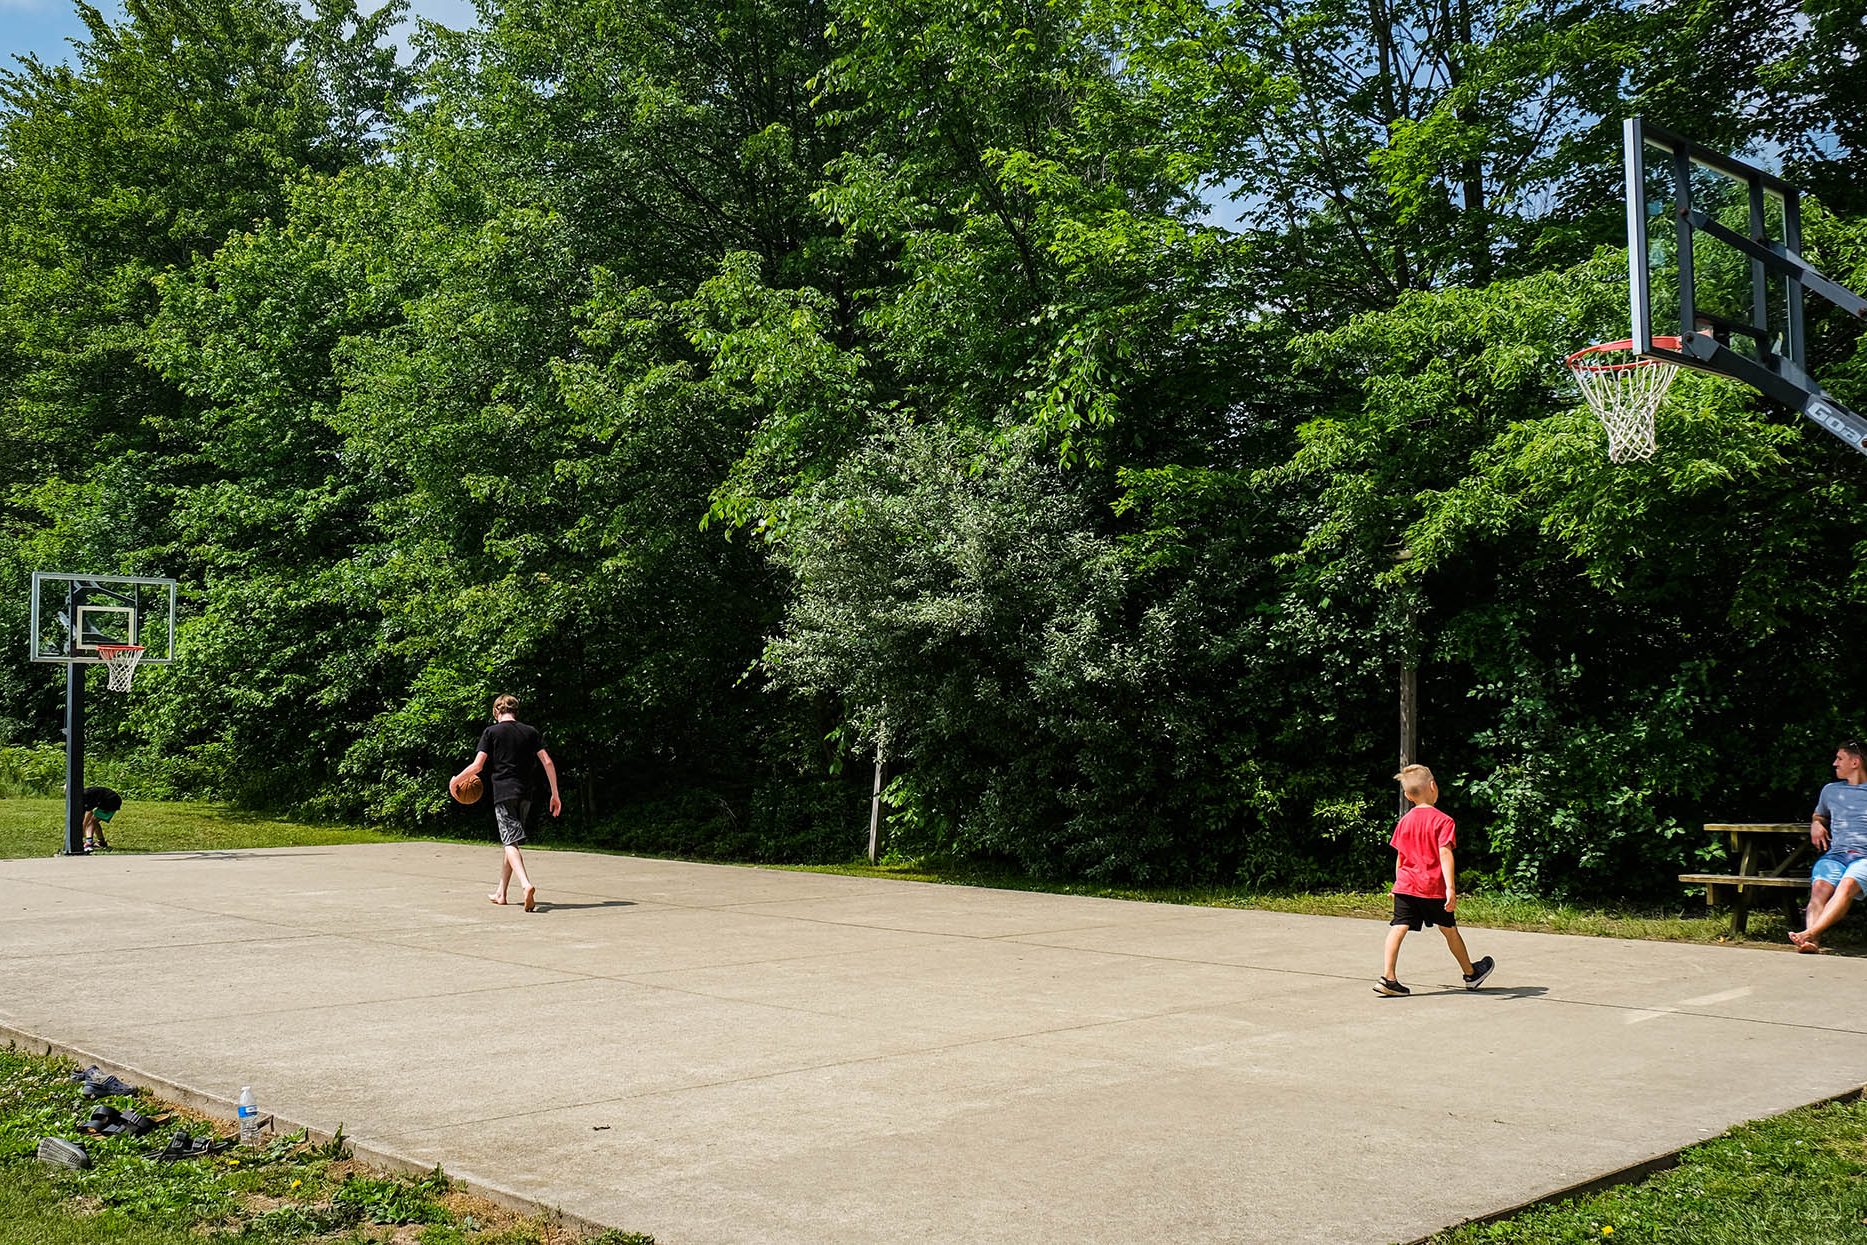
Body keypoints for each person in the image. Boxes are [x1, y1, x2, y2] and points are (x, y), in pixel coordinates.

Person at [1375, 764, 1495, 997]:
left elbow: (1401, 855)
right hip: (1432, 887)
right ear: (1433, 786)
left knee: (1398, 926)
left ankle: (1388, 977)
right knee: (1449, 929)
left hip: (1406, 886)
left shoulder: (1405, 821)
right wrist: (1450, 888)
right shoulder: (1443, 820)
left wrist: (1397, 883)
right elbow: (1445, 853)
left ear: (1408, 795)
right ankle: (1471, 973)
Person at [452, 694, 562, 912]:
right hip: (526, 794)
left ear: (496, 711)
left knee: (509, 842)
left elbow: (478, 766)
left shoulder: (491, 732)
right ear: (516, 711)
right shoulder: (530, 732)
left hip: (504, 792)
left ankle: (525, 884)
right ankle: (501, 893)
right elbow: (548, 762)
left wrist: (456, 780)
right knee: (511, 841)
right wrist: (555, 794)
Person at [1790, 740, 1867, 953]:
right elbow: (1819, 814)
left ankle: (1809, 933)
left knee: (1847, 885)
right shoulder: (1831, 791)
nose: (1834, 763)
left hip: (1865, 858)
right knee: (1819, 888)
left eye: (1839, 758)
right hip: (1836, 856)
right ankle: (1811, 941)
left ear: (1855, 762)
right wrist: (1816, 824)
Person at [81, 786, 121, 853]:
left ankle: (88, 843)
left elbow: (89, 812)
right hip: (107, 801)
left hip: (111, 801)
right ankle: (101, 842)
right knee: (94, 822)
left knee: (91, 822)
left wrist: (83, 828)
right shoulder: (83, 795)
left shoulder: (86, 795)